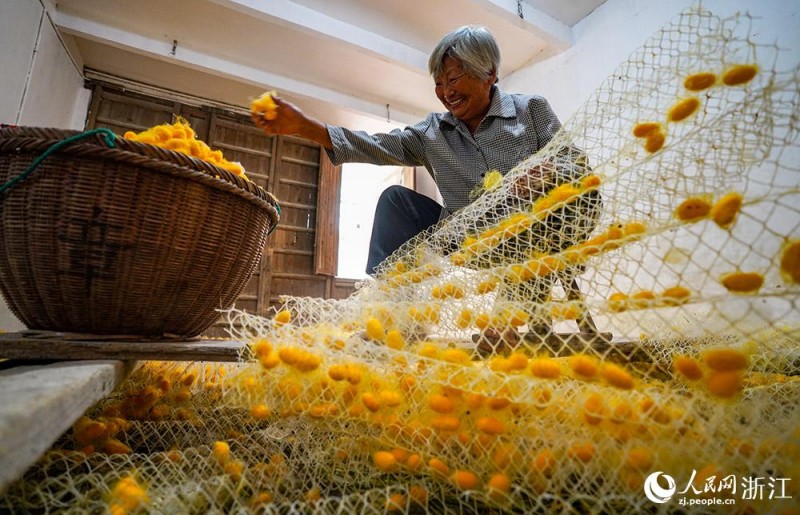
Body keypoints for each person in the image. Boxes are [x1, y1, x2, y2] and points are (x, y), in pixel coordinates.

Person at [252, 25, 566, 276]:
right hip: (468, 238)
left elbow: (574, 164)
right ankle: (390, 311)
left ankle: (511, 320)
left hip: (537, 230)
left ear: (490, 73)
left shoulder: (531, 110)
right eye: (439, 84)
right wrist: (305, 126)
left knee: (536, 219)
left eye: (454, 78)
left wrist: (548, 173)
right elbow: (375, 145)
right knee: (396, 201)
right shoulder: (431, 133)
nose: (447, 92)